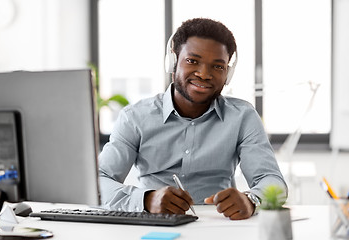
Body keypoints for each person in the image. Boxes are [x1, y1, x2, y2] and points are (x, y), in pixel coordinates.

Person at [98, 18, 287, 220]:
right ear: (172, 62)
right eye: (192, 61)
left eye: (218, 66)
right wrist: (146, 199)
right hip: (155, 224)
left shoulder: (243, 117)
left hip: (220, 227)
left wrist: (252, 200)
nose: (204, 74)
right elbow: (99, 181)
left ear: (228, 74)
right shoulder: (135, 117)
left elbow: (272, 181)